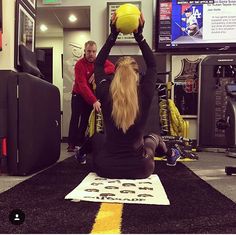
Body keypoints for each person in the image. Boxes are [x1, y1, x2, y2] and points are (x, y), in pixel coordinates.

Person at [75, 13, 181, 179]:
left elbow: (98, 64)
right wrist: (139, 35)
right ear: (137, 75)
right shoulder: (145, 92)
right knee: (152, 138)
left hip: (105, 168)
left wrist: (113, 34)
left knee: (98, 136)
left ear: (115, 74)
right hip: (141, 169)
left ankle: (80, 154)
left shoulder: (104, 91)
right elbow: (152, 65)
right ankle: (171, 155)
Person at [67, 40, 115, 152]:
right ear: (84, 51)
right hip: (78, 94)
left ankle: (80, 143)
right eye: (89, 51)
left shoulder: (99, 62)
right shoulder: (79, 64)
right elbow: (82, 85)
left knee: (85, 120)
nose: (91, 54)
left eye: (93, 51)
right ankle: (71, 144)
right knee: (75, 118)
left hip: (89, 96)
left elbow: (112, 67)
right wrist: (94, 101)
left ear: (96, 52)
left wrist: (97, 72)